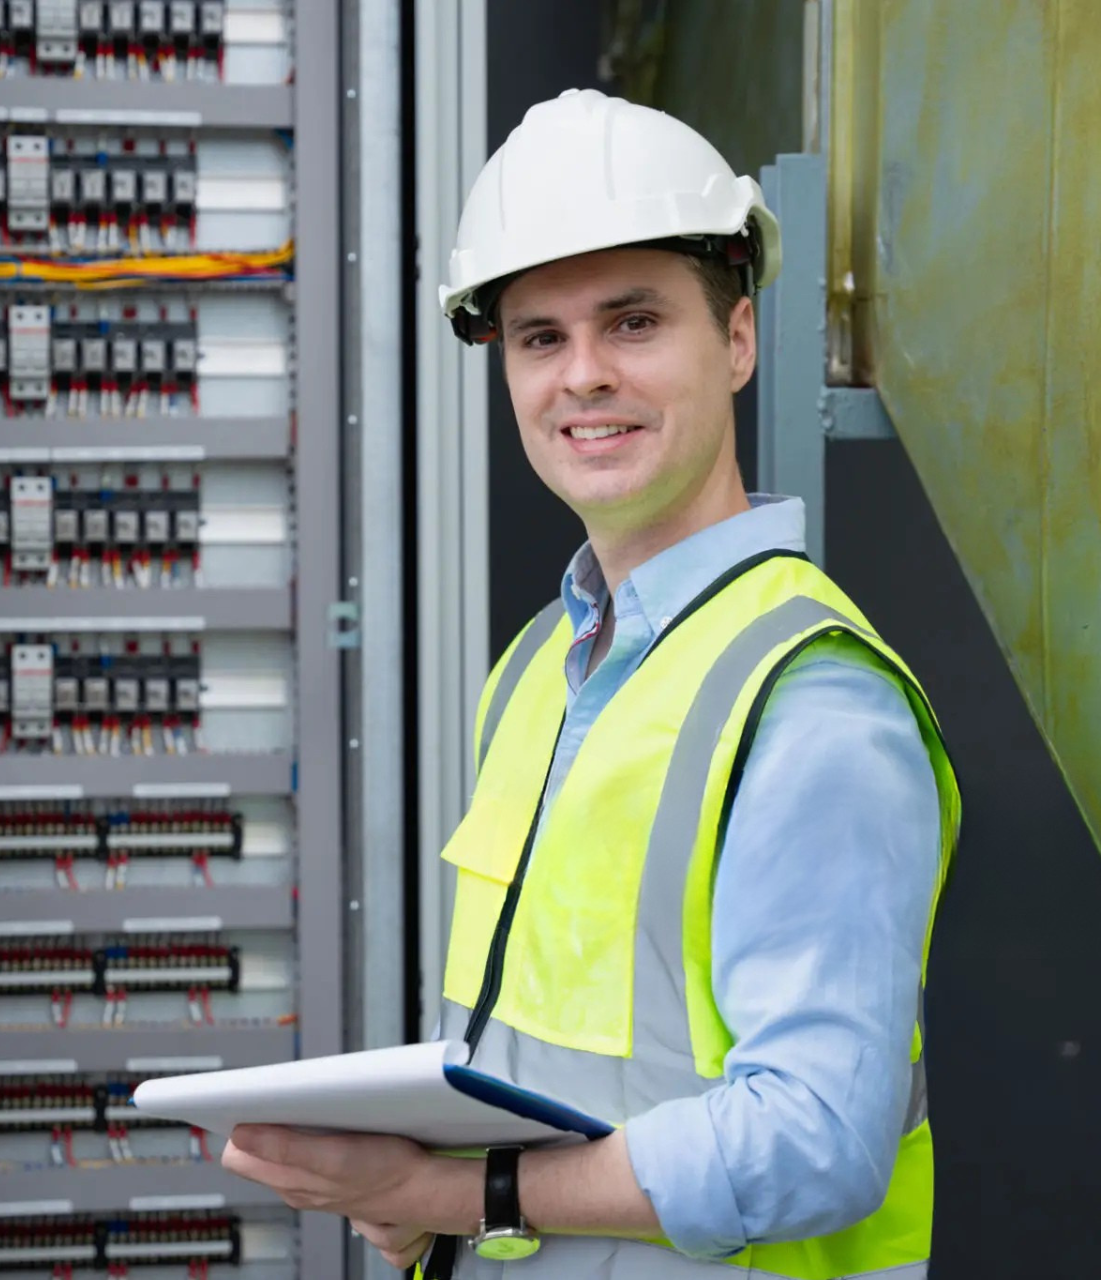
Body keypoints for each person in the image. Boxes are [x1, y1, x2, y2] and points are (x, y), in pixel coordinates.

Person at [221, 88, 959, 1278]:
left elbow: (819, 1139)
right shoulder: (534, 671)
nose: (581, 378)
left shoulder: (812, 696)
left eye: (632, 322)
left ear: (737, 338)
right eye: (540, 337)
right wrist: (413, 1188)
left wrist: (457, 1187)